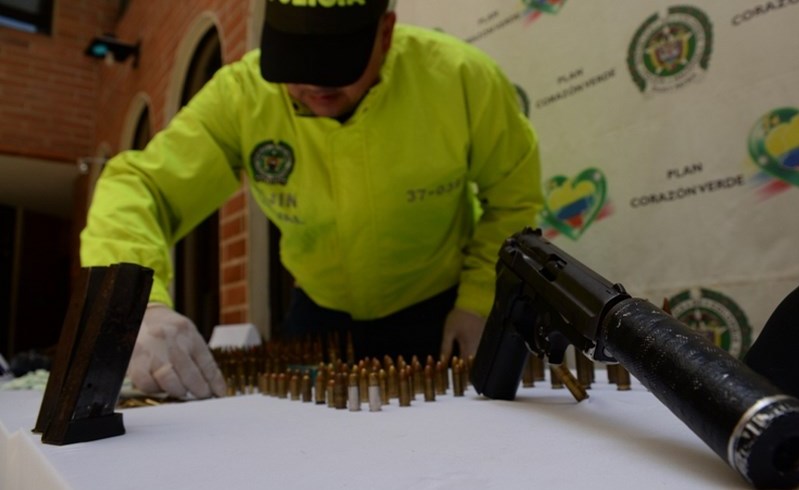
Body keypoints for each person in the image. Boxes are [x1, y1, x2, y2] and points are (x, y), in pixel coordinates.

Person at [80, 0, 543, 399]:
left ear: (385, 32)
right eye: (297, 64)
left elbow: (512, 197)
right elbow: (141, 186)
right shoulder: (240, 96)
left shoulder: (461, 78)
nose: (316, 88)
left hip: (442, 309)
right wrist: (138, 304)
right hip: (318, 314)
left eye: (338, 64)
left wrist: (482, 298)